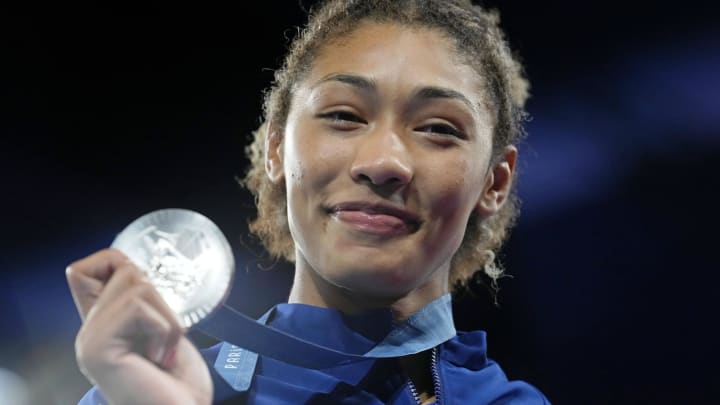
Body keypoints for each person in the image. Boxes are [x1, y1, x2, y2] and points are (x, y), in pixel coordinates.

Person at [66, 0, 550, 403]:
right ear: (277, 150)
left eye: (438, 128)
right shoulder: (137, 392)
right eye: (343, 115)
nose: (383, 161)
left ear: (494, 182)